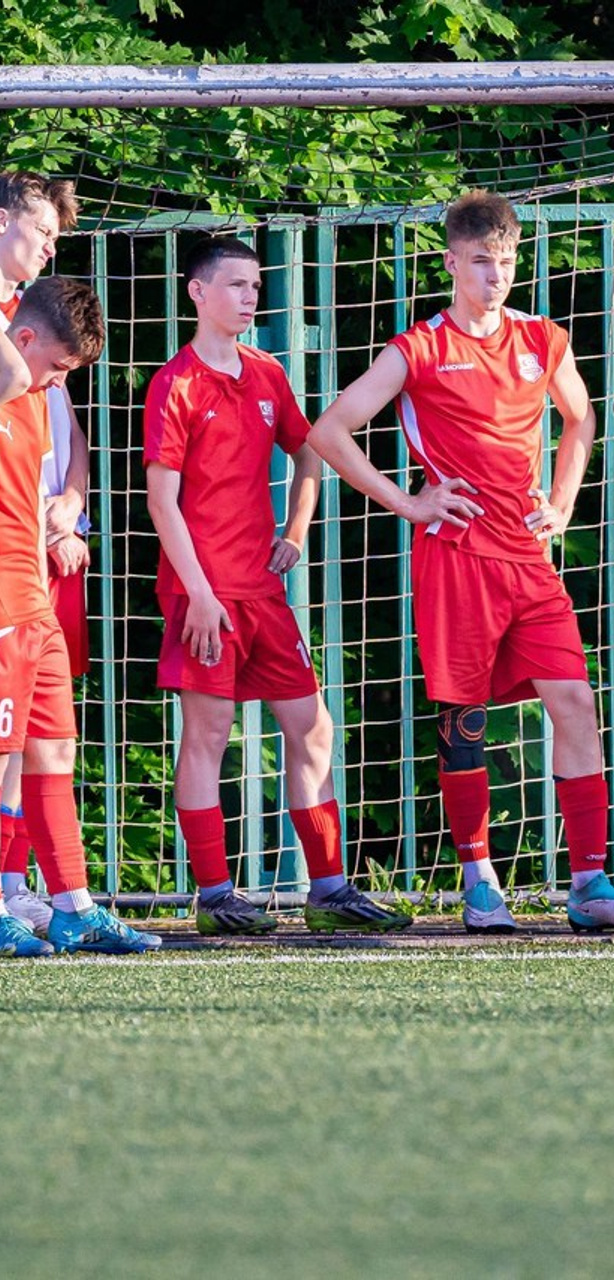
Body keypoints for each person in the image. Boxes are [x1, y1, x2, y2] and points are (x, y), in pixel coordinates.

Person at [309, 191, 614, 935]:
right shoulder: (419, 348)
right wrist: (409, 503)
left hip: (529, 559)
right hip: (457, 558)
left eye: (505, 262)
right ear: (451, 264)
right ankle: (480, 881)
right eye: (480, 262)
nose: (495, 276)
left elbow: (581, 416)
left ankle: (591, 883)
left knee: (575, 702)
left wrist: (563, 499)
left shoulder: (541, 338)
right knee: (463, 722)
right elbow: (330, 431)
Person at [144, 236, 407, 936]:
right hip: (203, 593)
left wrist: (296, 529)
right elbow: (161, 501)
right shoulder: (176, 383)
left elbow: (313, 448)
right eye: (235, 285)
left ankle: (329, 889)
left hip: (263, 592)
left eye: (256, 285)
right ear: (198, 293)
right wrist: (198, 592)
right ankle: (216, 897)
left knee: (310, 725)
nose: (250, 296)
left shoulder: (266, 373)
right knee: (209, 734)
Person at [0, 276, 160, 956]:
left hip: (36, 593)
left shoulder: (38, 395)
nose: (57, 380)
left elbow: (47, 482)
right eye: (57, 365)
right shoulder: (11, 372)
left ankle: (74, 906)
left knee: (53, 750)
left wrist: (67, 515)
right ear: (27, 338)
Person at [0, 171, 91, 940]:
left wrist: (68, 508)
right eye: (40, 231)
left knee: (44, 738)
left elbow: (59, 428)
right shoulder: (14, 336)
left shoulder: (30, 323)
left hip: (32, 561)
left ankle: (69, 904)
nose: (49, 245)